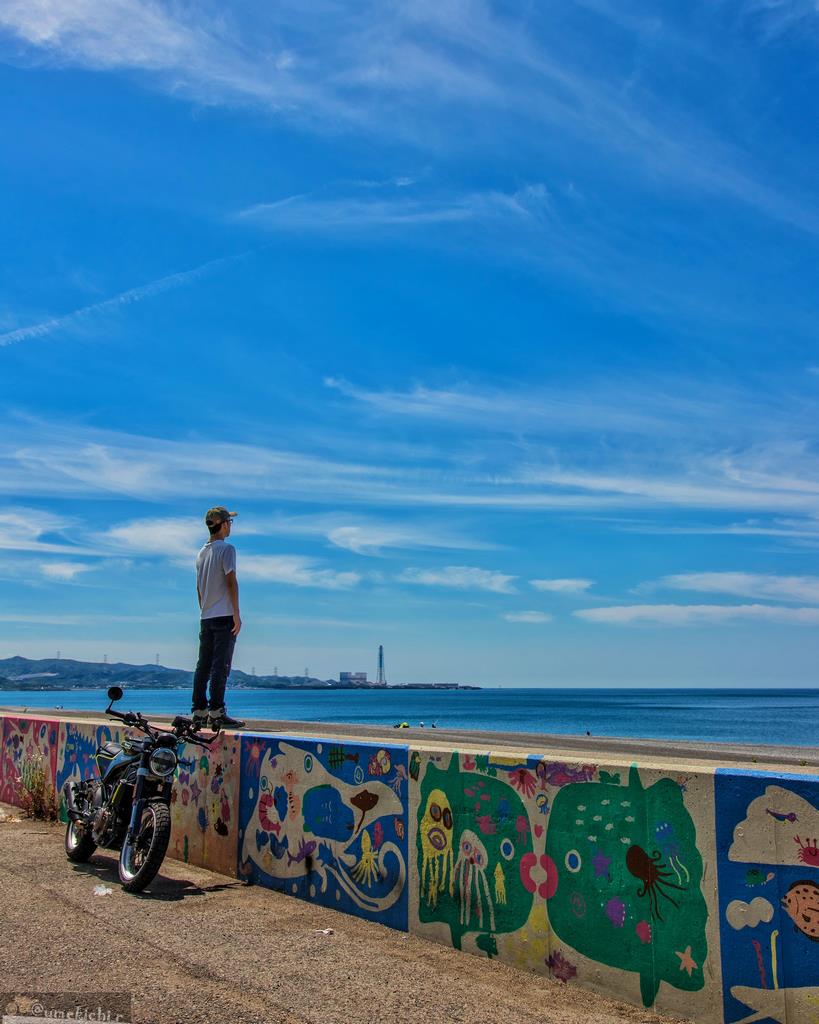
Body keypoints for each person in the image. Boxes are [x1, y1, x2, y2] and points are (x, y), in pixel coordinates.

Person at [191, 506, 245, 730]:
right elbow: (231, 581)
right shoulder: (227, 550)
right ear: (223, 524)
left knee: (203, 665)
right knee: (220, 666)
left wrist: (204, 608)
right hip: (223, 615)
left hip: (206, 616)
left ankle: (198, 711)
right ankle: (216, 712)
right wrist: (236, 613)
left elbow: (198, 588)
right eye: (229, 522)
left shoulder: (201, 553)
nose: (231, 526)